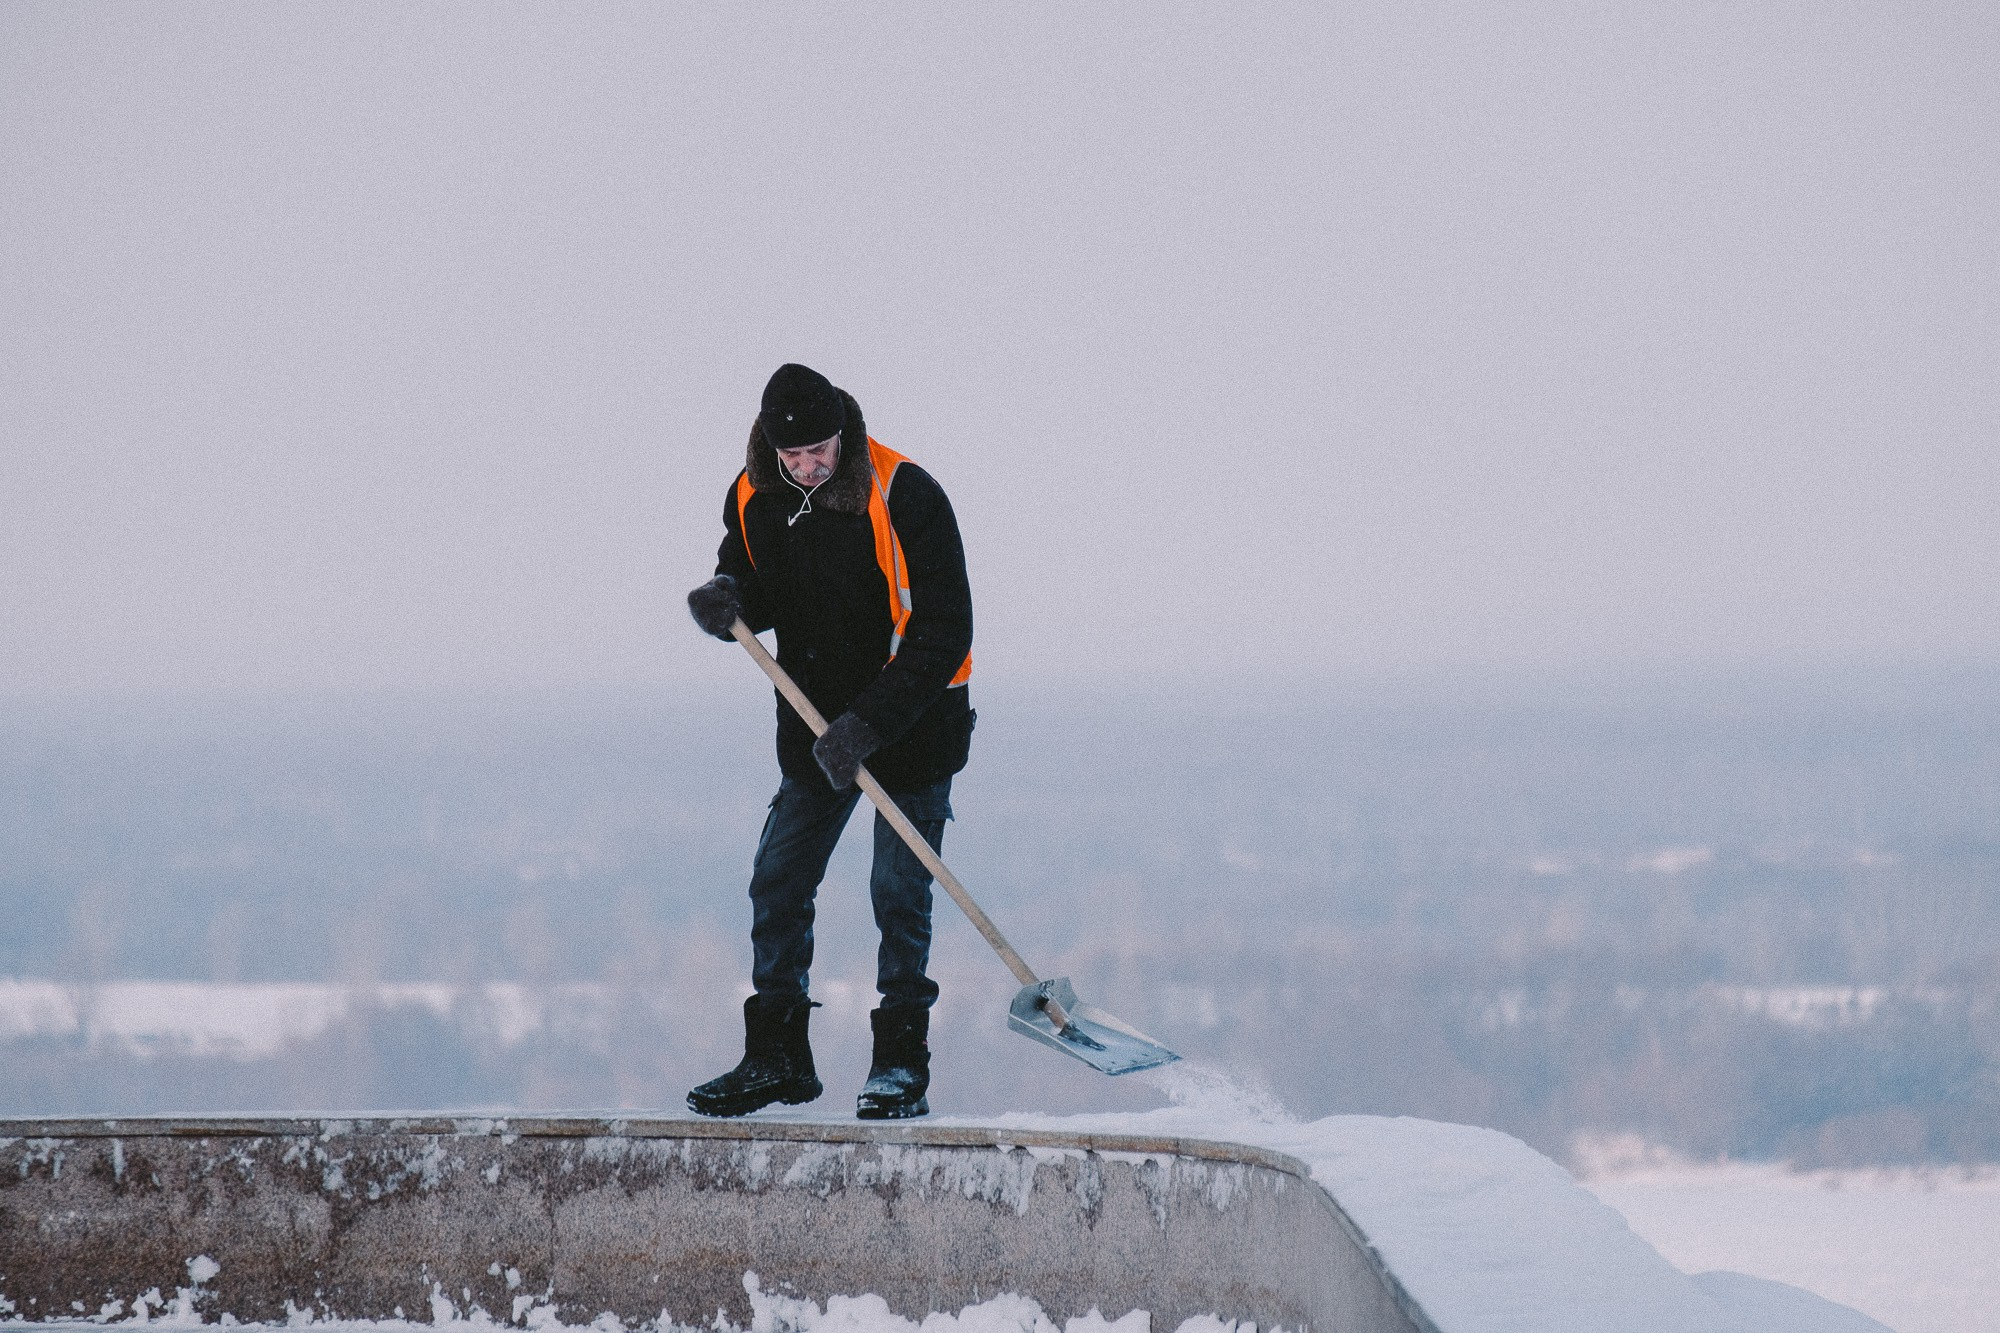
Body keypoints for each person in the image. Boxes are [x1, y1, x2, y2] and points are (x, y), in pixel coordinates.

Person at [684, 363, 974, 1120]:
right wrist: (728, 598)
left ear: (843, 432)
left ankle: (899, 1064)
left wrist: (868, 724)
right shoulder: (754, 494)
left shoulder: (905, 494)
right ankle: (778, 1054)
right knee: (778, 879)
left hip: (911, 726)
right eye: (796, 457)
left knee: (897, 894)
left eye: (822, 450)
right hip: (815, 728)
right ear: (772, 451)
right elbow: (750, 577)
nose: (811, 467)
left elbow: (945, 629)